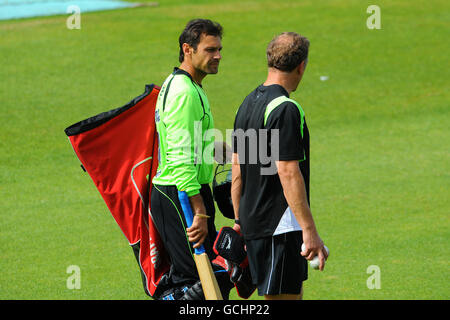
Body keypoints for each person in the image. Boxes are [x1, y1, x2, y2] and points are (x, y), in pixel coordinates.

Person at [231, 32, 328, 300]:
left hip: (254, 223)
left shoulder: (247, 103)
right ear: (301, 66)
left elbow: (237, 167)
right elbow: (287, 171)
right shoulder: (286, 109)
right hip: (280, 228)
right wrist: (309, 231)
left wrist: (240, 218)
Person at [151, 18, 232, 299]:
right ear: (188, 49)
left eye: (219, 49)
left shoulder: (186, 85)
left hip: (185, 191)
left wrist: (238, 154)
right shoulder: (185, 93)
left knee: (208, 277)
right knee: (199, 283)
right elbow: (181, 156)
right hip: (182, 194)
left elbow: (198, 144)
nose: (218, 55)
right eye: (210, 49)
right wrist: (198, 211)